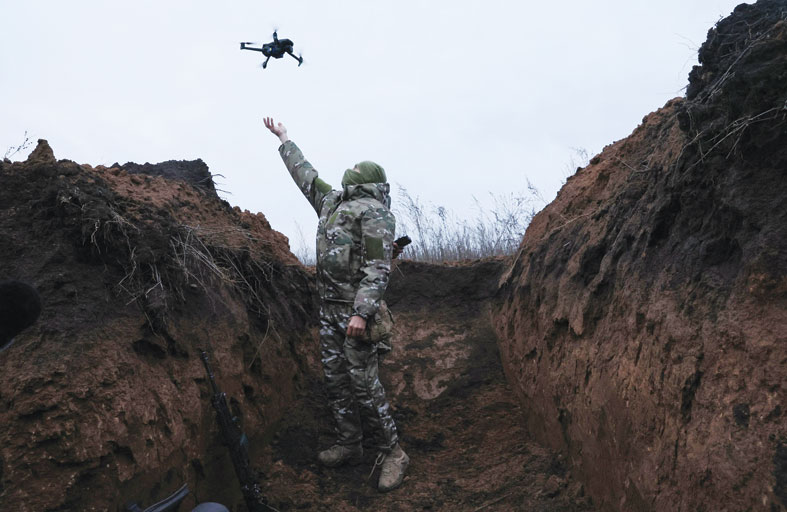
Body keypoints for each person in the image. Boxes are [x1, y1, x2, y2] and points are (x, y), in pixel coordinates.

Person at [263, 117, 409, 492]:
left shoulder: (375, 213)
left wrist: (362, 313)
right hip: (328, 312)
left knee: (364, 385)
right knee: (336, 381)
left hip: (356, 316)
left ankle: (394, 453)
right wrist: (284, 139)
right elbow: (306, 176)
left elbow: (378, 268)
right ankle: (350, 444)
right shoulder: (332, 202)